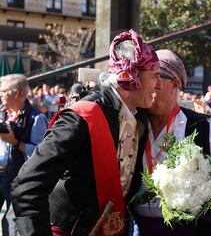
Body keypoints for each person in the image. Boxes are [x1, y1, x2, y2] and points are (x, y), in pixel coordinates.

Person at [11, 29, 161, 236]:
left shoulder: (141, 117)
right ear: (129, 76)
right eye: (155, 76)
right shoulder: (81, 118)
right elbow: (27, 186)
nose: (159, 85)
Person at [132, 49, 211, 236]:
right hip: (137, 229)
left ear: (175, 84)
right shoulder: (133, 123)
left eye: (156, 77)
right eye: (144, 77)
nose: (148, 84)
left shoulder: (206, 127)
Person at [0, 74, 48, 236]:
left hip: (18, 181)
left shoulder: (36, 118)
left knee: (11, 226)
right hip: (1, 174)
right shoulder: (2, 113)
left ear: (17, 93)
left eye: (3, 91)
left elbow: (40, 154)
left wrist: (15, 142)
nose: (0, 94)